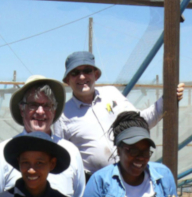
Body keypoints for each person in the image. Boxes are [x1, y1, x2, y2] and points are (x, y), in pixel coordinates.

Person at [54, 51, 184, 178]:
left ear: (96, 75)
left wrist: (166, 100)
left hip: (129, 177)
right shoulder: (63, 115)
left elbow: (140, 122)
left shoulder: (111, 94)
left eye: (87, 70)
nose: (82, 77)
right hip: (92, 183)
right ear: (67, 80)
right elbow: (61, 157)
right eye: (75, 73)